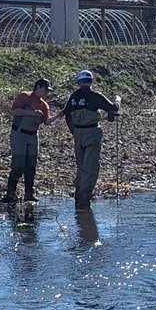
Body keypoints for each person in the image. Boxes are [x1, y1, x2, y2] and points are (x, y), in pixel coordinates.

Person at [61, 70, 120, 209]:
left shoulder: (74, 96)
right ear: (91, 82)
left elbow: (67, 115)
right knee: (90, 167)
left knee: (81, 166)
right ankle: (84, 200)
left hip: (78, 134)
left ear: (79, 82)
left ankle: (79, 198)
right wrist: (118, 100)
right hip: (92, 132)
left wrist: (74, 132)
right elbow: (112, 108)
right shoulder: (95, 96)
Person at [4, 78, 58, 203]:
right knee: (18, 165)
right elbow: (14, 111)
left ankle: (29, 194)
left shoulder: (44, 105)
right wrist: (32, 113)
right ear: (38, 87)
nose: (47, 93)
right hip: (19, 134)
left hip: (33, 136)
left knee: (31, 166)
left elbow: (47, 121)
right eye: (45, 90)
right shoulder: (25, 96)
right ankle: (10, 194)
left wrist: (59, 115)